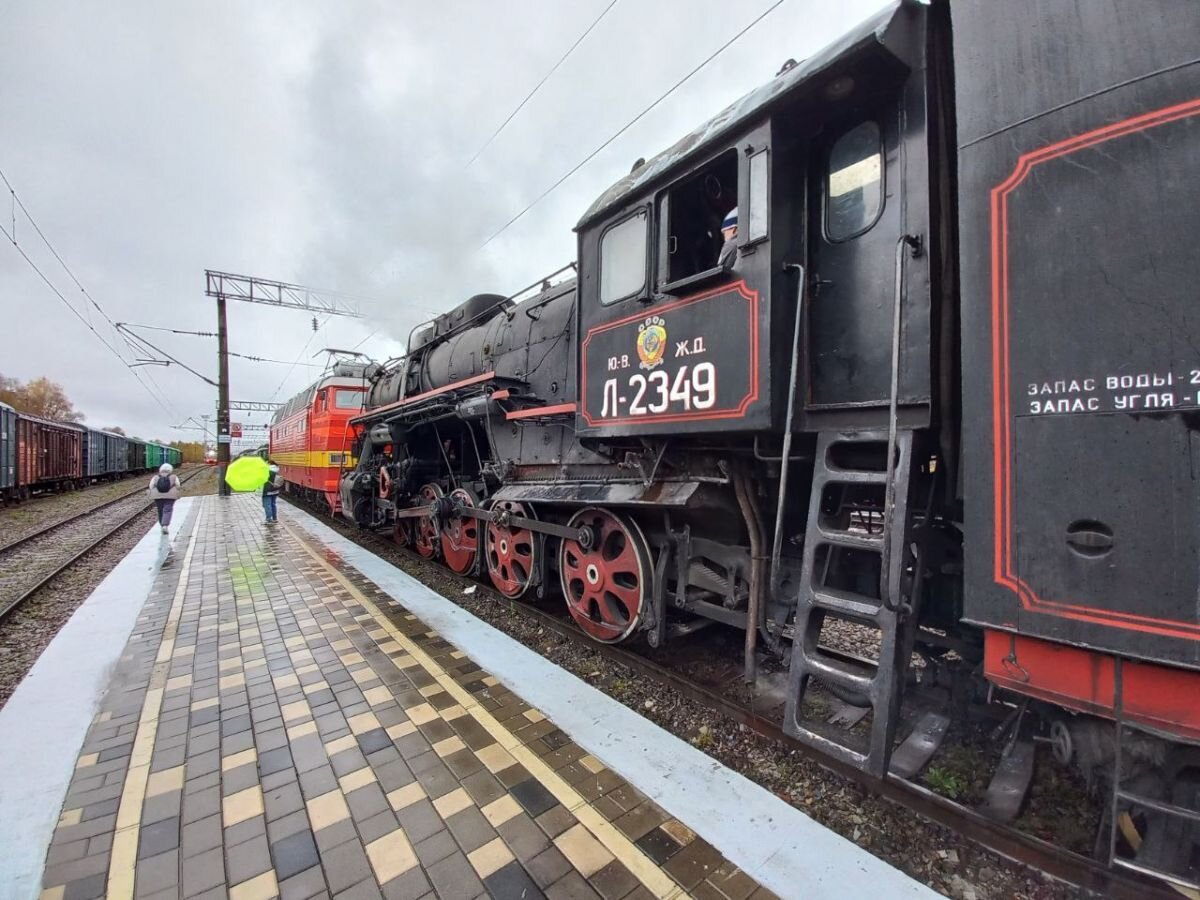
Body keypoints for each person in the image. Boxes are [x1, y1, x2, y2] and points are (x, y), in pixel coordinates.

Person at [148, 463, 181, 534]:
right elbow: (178, 485)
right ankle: (165, 525)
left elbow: (151, 486)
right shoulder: (174, 476)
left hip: (158, 497)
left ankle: (161, 525)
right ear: (170, 469)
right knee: (168, 510)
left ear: (161, 469)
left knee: (160, 510)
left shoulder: (155, 477)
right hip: (170, 496)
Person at [718, 206, 739, 271]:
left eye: (724, 233)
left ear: (734, 229)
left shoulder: (731, 244)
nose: (723, 237)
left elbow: (721, 271)